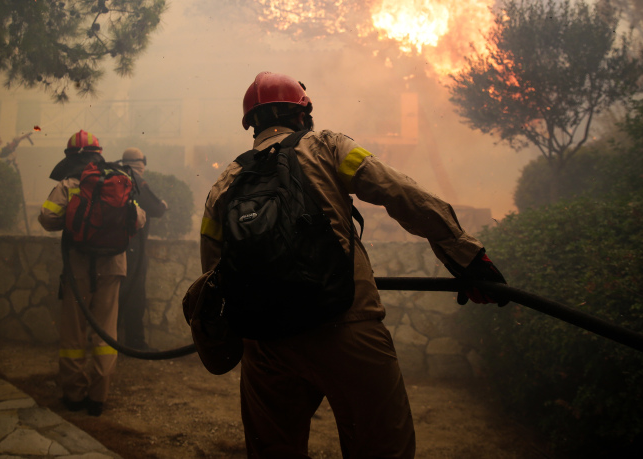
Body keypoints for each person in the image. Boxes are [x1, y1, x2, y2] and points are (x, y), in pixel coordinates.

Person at [195, 72, 507, 458]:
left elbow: (213, 275)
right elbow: (399, 192)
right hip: (345, 326)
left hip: (266, 346)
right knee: (382, 447)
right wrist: (466, 255)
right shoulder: (327, 146)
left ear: (251, 125)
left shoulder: (224, 184)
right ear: (303, 114)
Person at [38, 130, 146, 417]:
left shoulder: (71, 182)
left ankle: (74, 395)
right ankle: (99, 397)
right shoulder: (117, 178)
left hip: (78, 267)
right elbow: (138, 218)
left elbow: (48, 218)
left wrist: (73, 221)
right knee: (106, 332)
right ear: (98, 152)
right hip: (113, 266)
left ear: (71, 155)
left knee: (74, 332)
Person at [119, 147, 168, 350]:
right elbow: (157, 209)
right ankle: (135, 342)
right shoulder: (137, 180)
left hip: (112, 247)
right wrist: (163, 204)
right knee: (135, 295)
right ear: (140, 163)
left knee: (114, 295)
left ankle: (108, 340)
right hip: (133, 250)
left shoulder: (115, 178)